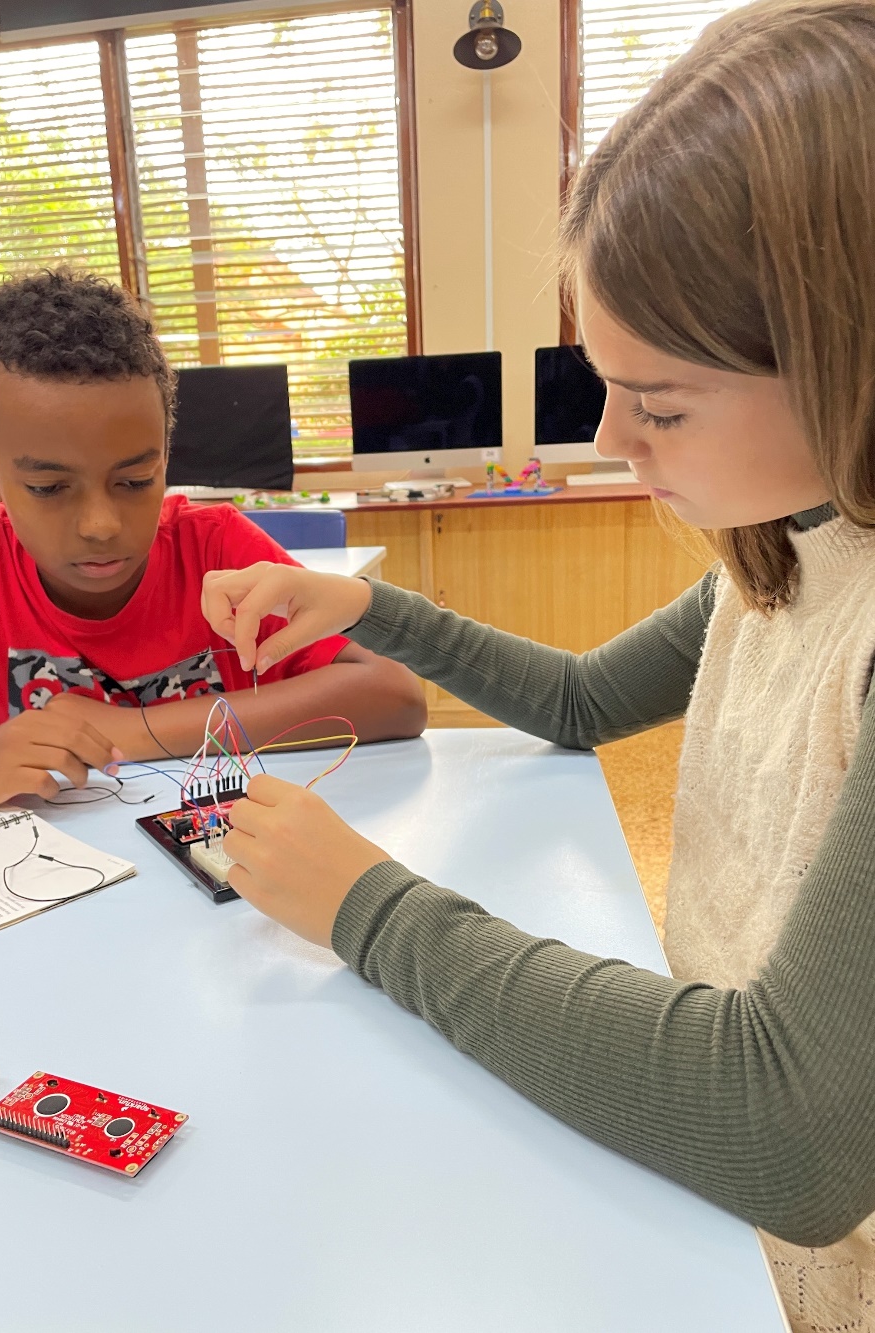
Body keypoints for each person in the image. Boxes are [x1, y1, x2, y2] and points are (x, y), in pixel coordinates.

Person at [201, 3, 875, 1328]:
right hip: (716, 1205)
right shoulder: (793, 542)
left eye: (662, 402)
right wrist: (360, 603)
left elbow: (791, 1130)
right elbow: (579, 701)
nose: (615, 435)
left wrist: (372, 909)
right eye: (607, 383)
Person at [0, 270, 426, 809]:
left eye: (135, 481)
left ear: (165, 450)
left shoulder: (215, 552)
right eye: (48, 487)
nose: (101, 525)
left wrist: (131, 730)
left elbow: (395, 696)